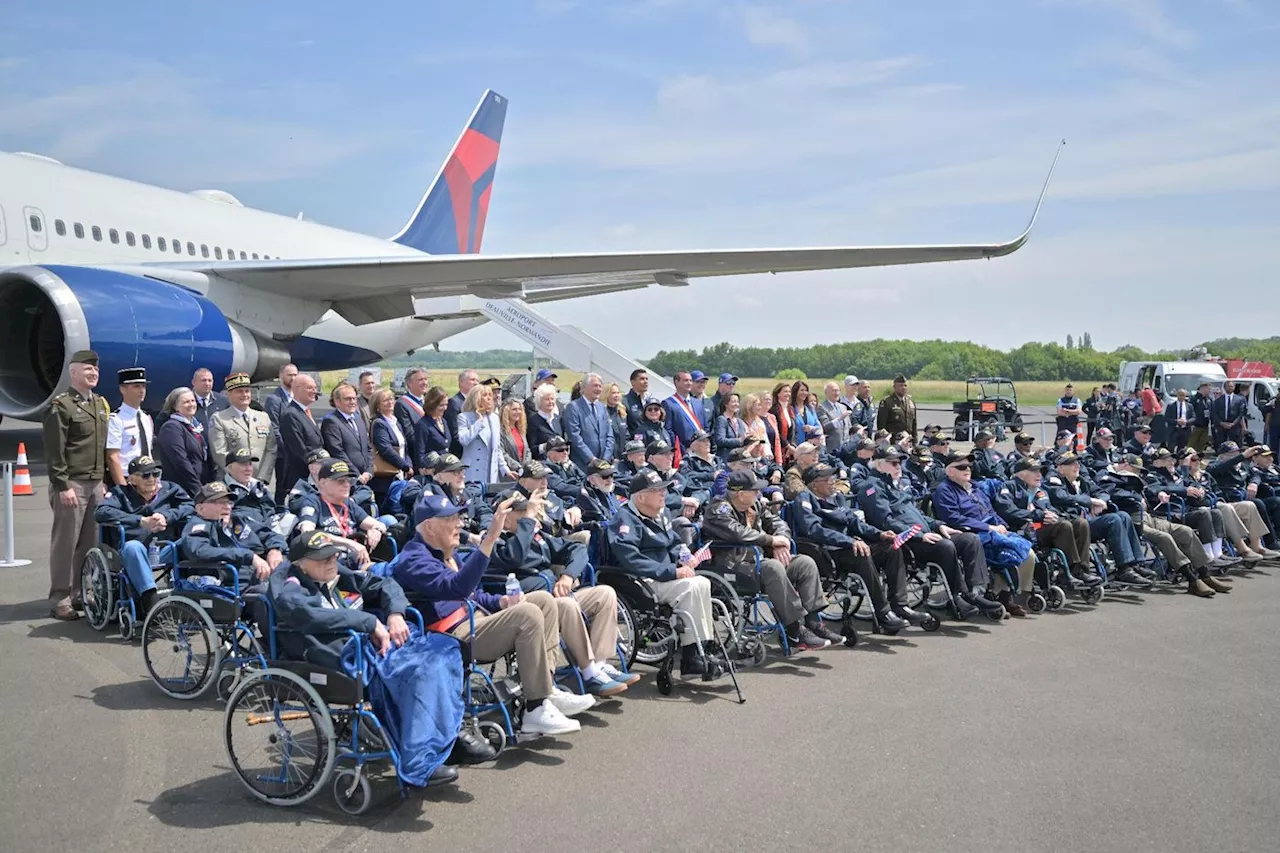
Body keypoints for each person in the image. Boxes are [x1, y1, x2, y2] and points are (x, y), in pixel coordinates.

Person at [267, 529, 463, 787]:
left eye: (334, 557)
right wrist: (369, 622)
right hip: (342, 652)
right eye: (323, 559)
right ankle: (420, 761)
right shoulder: (291, 588)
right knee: (422, 670)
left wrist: (394, 614)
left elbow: (384, 584)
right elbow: (309, 614)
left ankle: (447, 738)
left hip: (371, 641)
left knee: (445, 650)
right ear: (300, 564)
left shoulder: (334, 573)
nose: (331, 562)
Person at [394, 493, 596, 735]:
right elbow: (457, 587)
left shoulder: (447, 550)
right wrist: (491, 537)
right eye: (451, 519)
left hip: (475, 618)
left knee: (543, 600)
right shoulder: (413, 558)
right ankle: (535, 708)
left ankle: (546, 690)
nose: (460, 523)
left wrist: (500, 601)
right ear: (429, 525)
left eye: (459, 517)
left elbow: (474, 595)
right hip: (450, 635)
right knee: (527, 614)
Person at [489, 493, 638, 695]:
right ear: (505, 518)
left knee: (604, 594)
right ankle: (589, 673)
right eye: (522, 512)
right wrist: (529, 522)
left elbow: (575, 548)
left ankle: (600, 665)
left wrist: (568, 576)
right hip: (529, 607)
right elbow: (515, 557)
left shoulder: (536, 537)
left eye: (528, 511)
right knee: (567, 605)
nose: (529, 515)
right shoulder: (494, 542)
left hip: (554, 595)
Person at [702, 468, 841, 649]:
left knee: (804, 563)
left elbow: (778, 523)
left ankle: (814, 623)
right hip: (731, 567)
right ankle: (795, 630)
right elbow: (737, 533)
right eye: (754, 490)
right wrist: (771, 540)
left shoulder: (755, 505)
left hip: (758, 562)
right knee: (773, 568)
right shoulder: (718, 508)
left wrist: (781, 543)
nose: (758, 493)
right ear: (740, 493)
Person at [607, 470, 726, 678]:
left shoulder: (660, 514)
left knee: (702, 582)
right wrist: (672, 571)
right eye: (657, 490)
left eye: (663, 489)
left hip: (665, 575)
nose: (664, 493)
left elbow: (672, 541)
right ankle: (691, 656)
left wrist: (684, 555)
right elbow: (631, 559)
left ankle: (703, 647)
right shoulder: (625, 520)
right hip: (642, 580)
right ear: (641, 496)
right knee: (692, 586)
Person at [858, 447, 1002, 618]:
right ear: (879, 465)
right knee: (945, 546)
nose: (899, 467)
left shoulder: (895, 484)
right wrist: (920, 535)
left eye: (900, 463)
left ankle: (976, 592)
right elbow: (885, 521)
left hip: (924, 535)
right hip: (904, 541)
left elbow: (918, 515)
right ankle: (959, 595)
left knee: (970, 539)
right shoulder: (872, 487)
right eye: (893, 463)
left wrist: (939, 525)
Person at [790, 463, 927, 631]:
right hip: (827, 552)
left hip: (851, 545)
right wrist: (849, 541)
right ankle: (882, 613)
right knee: (863, 554)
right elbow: (814, 530)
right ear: (814, 484)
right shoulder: (804, 499)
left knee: (892, 548)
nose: (833, 482)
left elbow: (854, 522)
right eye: (827, 479)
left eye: (833, 477)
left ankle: (900, 606)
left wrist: (880, 534)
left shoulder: (837, 497)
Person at [931, 452, 1036, 616]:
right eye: (961, 467)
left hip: (992, 531)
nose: (967, 469)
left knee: (1028, 553)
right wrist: (988, 528)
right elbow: (953, 518)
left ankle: (1008, 594)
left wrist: (1001, 524)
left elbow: (991, 511)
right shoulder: (944, 490)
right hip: (971, 533)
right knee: (1010, 551)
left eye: (969, 466)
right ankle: (993, 594)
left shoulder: (975, 488)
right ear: (950, 471)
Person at [94, 455, 191, 617]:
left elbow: (191, 505)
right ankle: (149, 598)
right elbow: (101, 512)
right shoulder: (120, 494)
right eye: (145, 475)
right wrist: (140, 521)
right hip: (134, 551)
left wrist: (166, 516)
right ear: (132, 479)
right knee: (133, 547)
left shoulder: (170, 489)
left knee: (191, 540)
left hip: (165, 548)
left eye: (155, 474)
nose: (152, 479)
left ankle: (194, 594)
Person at [1042, 452, 1154, 586]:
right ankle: (1124, 569)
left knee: (1123, 515)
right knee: (1113, 519)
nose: (1076, 466)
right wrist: (1090, 501)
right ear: (1060, 468)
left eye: (1077, 463)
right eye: (1071, 463)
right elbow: (1061, 497)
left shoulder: (1081, 479)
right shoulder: (1054, 479)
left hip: (1088, 520)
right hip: (1074, 524)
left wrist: (1100, 501)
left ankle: (1134, 563)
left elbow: (1103, 492)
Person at [994, 458, 1102, 588]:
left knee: (1081, 523)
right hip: (1025, 530)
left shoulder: (1041, 491)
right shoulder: (1008, 487)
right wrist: (1038, 515)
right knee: (1064, 526)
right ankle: (1065, 573)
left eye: (1040, 471)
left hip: (1047, 528)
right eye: (1034, 471)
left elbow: (1050, 509)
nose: (1039, 475)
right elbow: (1007, 511)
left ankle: (1081, 571)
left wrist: (1054, 515)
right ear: (1021, 473)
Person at [179, 481, 283, 589]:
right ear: (200, 508)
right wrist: (248, 556)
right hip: (233, 584)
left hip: (262, 575)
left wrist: (275, 549)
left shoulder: (238, 519)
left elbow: (270, 534)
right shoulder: (198, 525)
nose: (227, 507)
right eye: (219, 502)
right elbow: (200, 551)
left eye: (229, 502)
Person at [293, 459, 389, 569]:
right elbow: (308, 533)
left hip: (357, 560)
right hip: (330, 562)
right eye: (340, 481)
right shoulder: (313, 502)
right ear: (323, 482)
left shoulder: (347, 503)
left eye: (348, 480)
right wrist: (349, 543)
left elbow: (379, 524)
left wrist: (376, 530)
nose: (347, 484)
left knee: (389, 521)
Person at [209, 372, 277, 486]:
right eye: (239, 391)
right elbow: (219, 453)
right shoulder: (219, 419)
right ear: (229, 394)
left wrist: (262, 478)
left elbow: (271, 449)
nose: (245, 394)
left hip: (259, 482)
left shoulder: (263, 417)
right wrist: (239, 476)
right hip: (231, 482)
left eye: (247, 391)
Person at [154, 387, 213, 498]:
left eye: (193, 401)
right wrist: (197, 490)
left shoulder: (195, 427)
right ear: (175, 406)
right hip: (183, 489)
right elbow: (180, 462)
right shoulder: (171, 427)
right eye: (186, 402)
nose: (191, 404)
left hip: (201, 484)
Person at [105, 367, 154, 487]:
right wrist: (123, 487)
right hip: (128, 478)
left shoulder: (146, 418)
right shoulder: (116, 419)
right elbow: (112, 457)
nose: (141, 390)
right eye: (136, 386)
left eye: (143, 386)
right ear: (123, 389)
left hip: (148, 476)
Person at [457, 383, 513, 485]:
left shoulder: (494, 418)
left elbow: (497, 448)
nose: (489, 398)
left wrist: (505, 469)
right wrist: (479, 422)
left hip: (491, 472)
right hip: (473, 471)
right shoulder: (464, 417)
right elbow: (464, 440)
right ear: (476, 398)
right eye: (485, 395)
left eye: (490, 395)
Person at [321, 381, 375, 486]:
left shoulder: (358, 419)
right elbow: (337, 451)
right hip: (347, 479)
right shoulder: (331, 421)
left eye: (354, 398)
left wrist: (369, 471)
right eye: (348, 399)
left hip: (366, 478)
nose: (352, 402)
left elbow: (367, 447)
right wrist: (357, 475)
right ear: (337, 401)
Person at [279, 373, 323, 493]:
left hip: (314, 476)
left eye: (315, 388)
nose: (314, 391)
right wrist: (317, 468)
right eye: (310, 388)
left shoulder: (305, 412)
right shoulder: (291, 415)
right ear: (297, 388)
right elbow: (299, 450)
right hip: (301, 479)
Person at [369, 388, 413, 508]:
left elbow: (404, 448)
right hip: (385, 478)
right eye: (385, 400)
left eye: (391, 399)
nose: (390, 402)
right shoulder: (379, 423)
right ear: (377, 405)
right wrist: (404, 466)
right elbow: (385, 449)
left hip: (399, 475)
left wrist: (409, 464)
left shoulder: (396, 423)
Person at [563, 372, 615, 469]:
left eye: (600, 386)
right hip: (583, 464)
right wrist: (592, 459)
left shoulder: (602, 407)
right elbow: (575, 436)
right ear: (584, 387)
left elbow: (609, 435)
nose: (598, 389)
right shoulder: (573, 407)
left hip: (603, 463)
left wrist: (605, 459)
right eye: (595, 386)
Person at [265, 363, 298, 503]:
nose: (293, 378)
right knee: (282, 487)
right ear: (281, 377)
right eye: (290, 375)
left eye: (296, 375)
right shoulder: (274, 399)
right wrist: (286, 448)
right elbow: (273, 426)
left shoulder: (297, 397)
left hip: (297, 453)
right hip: (283, 453)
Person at [664, 371, 706, 463]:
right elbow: (669, 430)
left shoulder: (698, 402)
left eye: (691, 380)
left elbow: (704, 426)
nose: (689, 383)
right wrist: (682, 449)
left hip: (701, 450)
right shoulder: (668, 403)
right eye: (686, 380)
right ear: (676, 382)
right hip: (684, 452)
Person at [394, 367, 431, 466]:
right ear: (410, 383)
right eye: (420, 380)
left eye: (425, 379)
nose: (424, 383)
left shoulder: (430, 400)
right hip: (417, 456)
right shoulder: (402, 404)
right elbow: (409, 435)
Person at [413, 386, 453, 469]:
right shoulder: (423, 425)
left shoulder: (443, 421)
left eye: (446, 404)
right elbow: (419, 455)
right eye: (441, 405)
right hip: (431, 471)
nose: (445, 408)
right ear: (432, 405)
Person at [527, 383, 566, 458]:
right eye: (547, 399)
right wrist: (545, 446)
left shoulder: (558, 418)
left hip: (559, 461)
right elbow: (532, 448)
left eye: (552, 399)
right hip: (543, 462)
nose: (550, 402)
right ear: (539, 401)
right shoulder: (533, 420)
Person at [447, 369, 478, 456]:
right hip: (462, 454)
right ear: (461, 382)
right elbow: (455, 434)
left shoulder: (476, 403)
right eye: (472, 380)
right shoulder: (454, 403)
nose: (475, 383)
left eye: (477, 380)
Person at [876, 375, 917, 440]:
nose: (903, 388)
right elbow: (881, 426)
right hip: (893, 441)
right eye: (900, 385)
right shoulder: (887, 402)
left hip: (908, 441)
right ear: (894, 387)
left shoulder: (910, 402)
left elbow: (914, 425)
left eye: (905, 385)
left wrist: (915, 441)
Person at [1212, 381, 1248, 447]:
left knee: (1236, 445)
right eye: (1228, 386)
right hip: (1221, 426)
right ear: (1225, 388)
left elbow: (1241, 413)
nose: (1230, 388)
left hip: (1234, 426)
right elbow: (1214, 413)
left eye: (1232, 386)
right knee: (1221, 445)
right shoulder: (1218, 400)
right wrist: (1221, 423)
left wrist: (1233, 424)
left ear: (1234, 387)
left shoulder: (1239, 400)